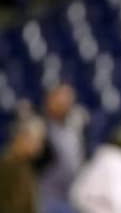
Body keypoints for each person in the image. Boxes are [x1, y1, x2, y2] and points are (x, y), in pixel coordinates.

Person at [37, 84, 86, 213]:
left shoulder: (74, 130)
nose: (64, 104)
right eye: (59, 100)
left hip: (68, 198)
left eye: (67, 101)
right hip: (43, 197)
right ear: (49, 101)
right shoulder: (39, 127)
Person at [0, 116, 46, 213]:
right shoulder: (6, 166)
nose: (40, 147)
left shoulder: (25, 165)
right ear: (21, 138)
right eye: (37, 141)